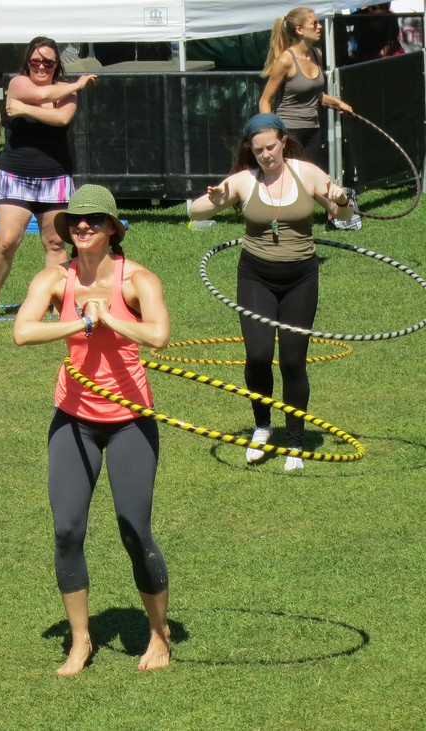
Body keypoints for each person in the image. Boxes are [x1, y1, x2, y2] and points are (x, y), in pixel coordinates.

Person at [12, 184, 171, 675]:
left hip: (129, 422)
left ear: (111, 228)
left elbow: (159, 336)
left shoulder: (137, 280)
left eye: (94, 221)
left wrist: (112, 321)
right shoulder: (54, 279)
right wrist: (82, 322)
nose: (83, 228)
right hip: (74, 421)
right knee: (66, 530)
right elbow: (23, 332)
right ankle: (80, 641)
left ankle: (159, 635)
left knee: (133, 529)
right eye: (76, 221)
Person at [189, 113, 355, 471]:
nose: (266, 154)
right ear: (250, 149)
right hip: (256, 277)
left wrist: (340, 200)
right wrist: (214, 200)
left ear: (282, 141)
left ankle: (295, 443)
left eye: (271, 147)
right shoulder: (244, 180)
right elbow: (195, 210)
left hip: (301, 278)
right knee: (260, 355)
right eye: (258, 149)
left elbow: (345, 218)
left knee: (294, 361)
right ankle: (262, 426)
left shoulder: (307, 173)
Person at [0, 36, 95, 320]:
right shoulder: (18, 83)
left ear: (56, 65)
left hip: (55, 175)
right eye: (36, 61)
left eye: (48, 62)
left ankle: (55, 303)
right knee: (7, 240)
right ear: (27, 63)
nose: (41, 66)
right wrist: (76, 85)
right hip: (16, 173)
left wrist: (26, 109)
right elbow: (42, 99)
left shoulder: (65, 91)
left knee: (55, 243)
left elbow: (62, 119)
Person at [259, 7, 352, 165]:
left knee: (309, 180)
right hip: (289, 130)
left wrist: (337, 102)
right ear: (299, 30)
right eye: (314, 24)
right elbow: (264, 101)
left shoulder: (317, 54)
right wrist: (271, 133)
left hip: (313, 129)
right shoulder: (286, 61)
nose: (319, 27)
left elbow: (313, 94)